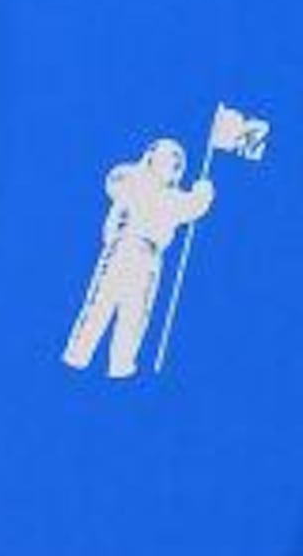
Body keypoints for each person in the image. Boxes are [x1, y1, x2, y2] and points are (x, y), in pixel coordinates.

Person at [63, 137, 214, 379]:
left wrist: (201, 193)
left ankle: (117, 365)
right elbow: (115, 182)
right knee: (104, 304)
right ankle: (81, 357)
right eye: (167, 160)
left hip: (146, 256)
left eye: (176, 164)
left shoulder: (165, 195)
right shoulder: (138, 184)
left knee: (132, 313)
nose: (171, 167)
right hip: (126, 248)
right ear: (152, 159)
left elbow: (191, 206)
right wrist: (201, 192)